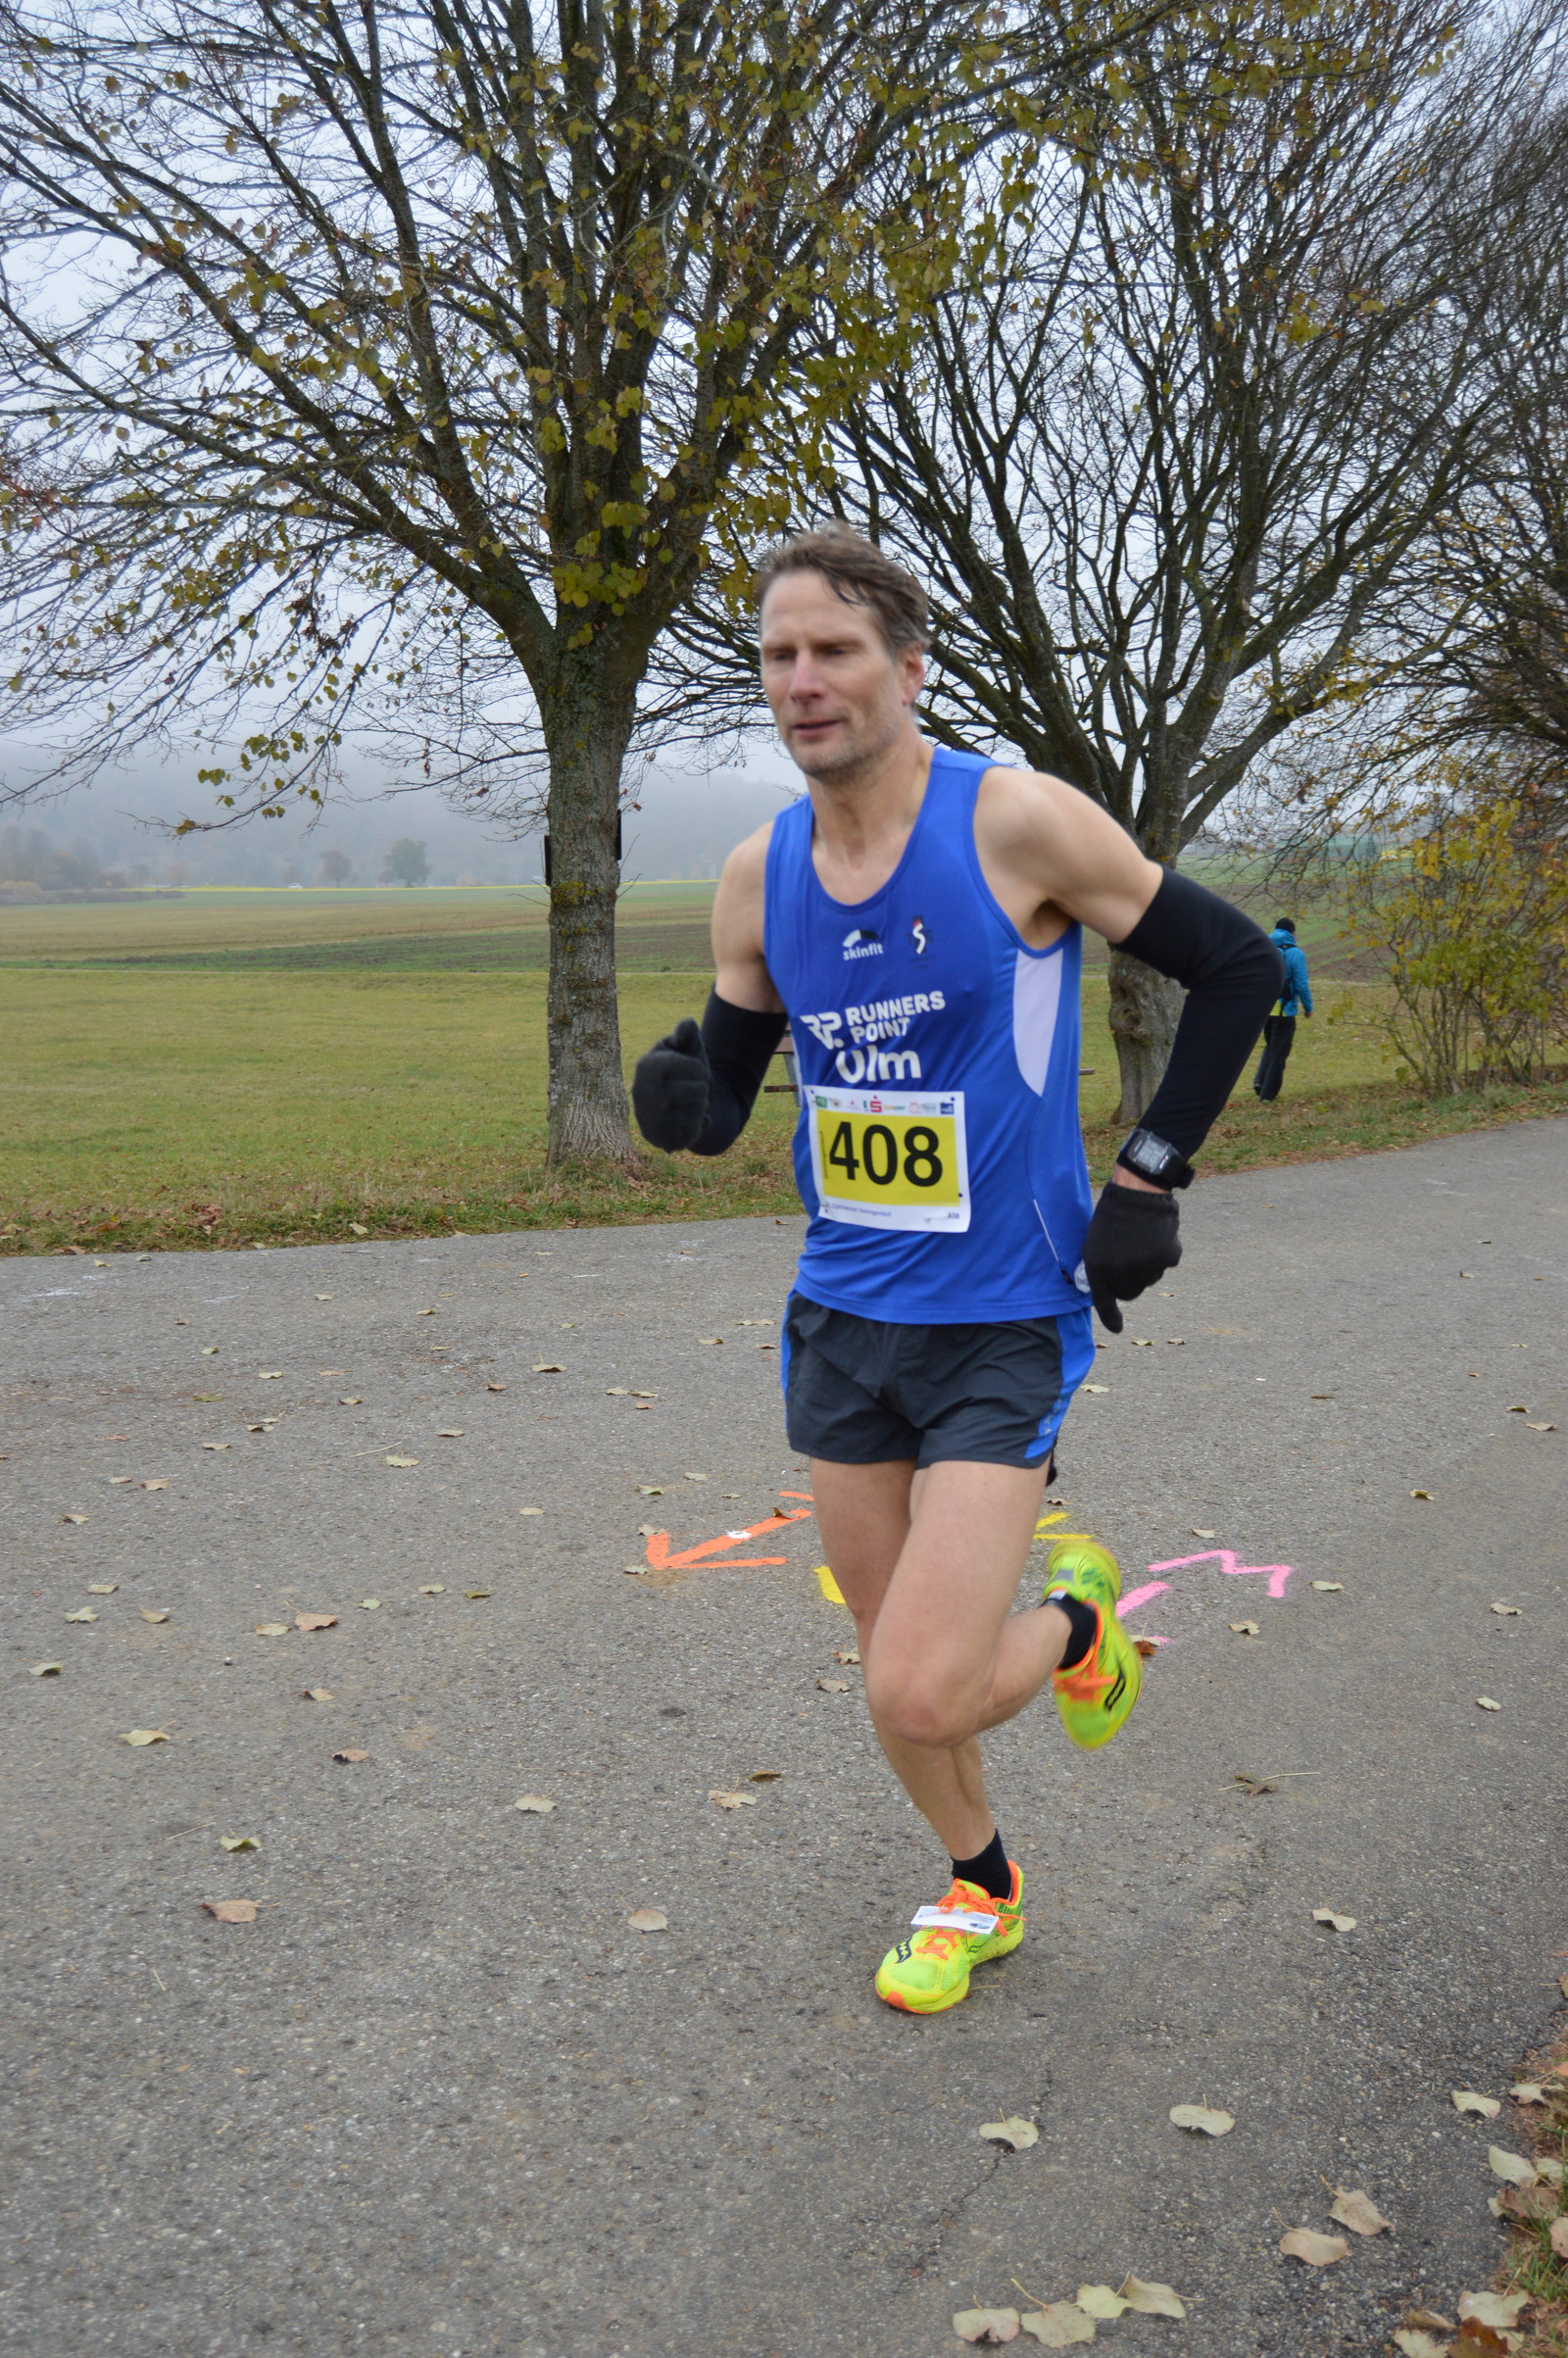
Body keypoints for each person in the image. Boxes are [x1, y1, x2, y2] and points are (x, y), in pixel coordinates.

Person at [632, 528, 1281, 2015]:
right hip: (840, 1321)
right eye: (778, 656)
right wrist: (683, 1107)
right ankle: (979, 1883)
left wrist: (1147, 1177)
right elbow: (725, 1090)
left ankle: (1079, 1622)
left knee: (920, 1683)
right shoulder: (757, 875)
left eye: (834, 650)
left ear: (907, 668)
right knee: (895, 1664)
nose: (802, 681)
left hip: (1001, 1321)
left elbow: (1237, 965)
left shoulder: (1014, 823)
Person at [1252, 918, 1312, 1102]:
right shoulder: (1296, 954)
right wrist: (1308, 1007)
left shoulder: (1264, 949)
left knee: (1271, 1046)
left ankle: (1259, 1081)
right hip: (1285, 1010)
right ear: (1292, 932)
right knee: (1280, 1053)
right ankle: (1268, 1095)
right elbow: (1301, 985)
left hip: (1264, 1009)